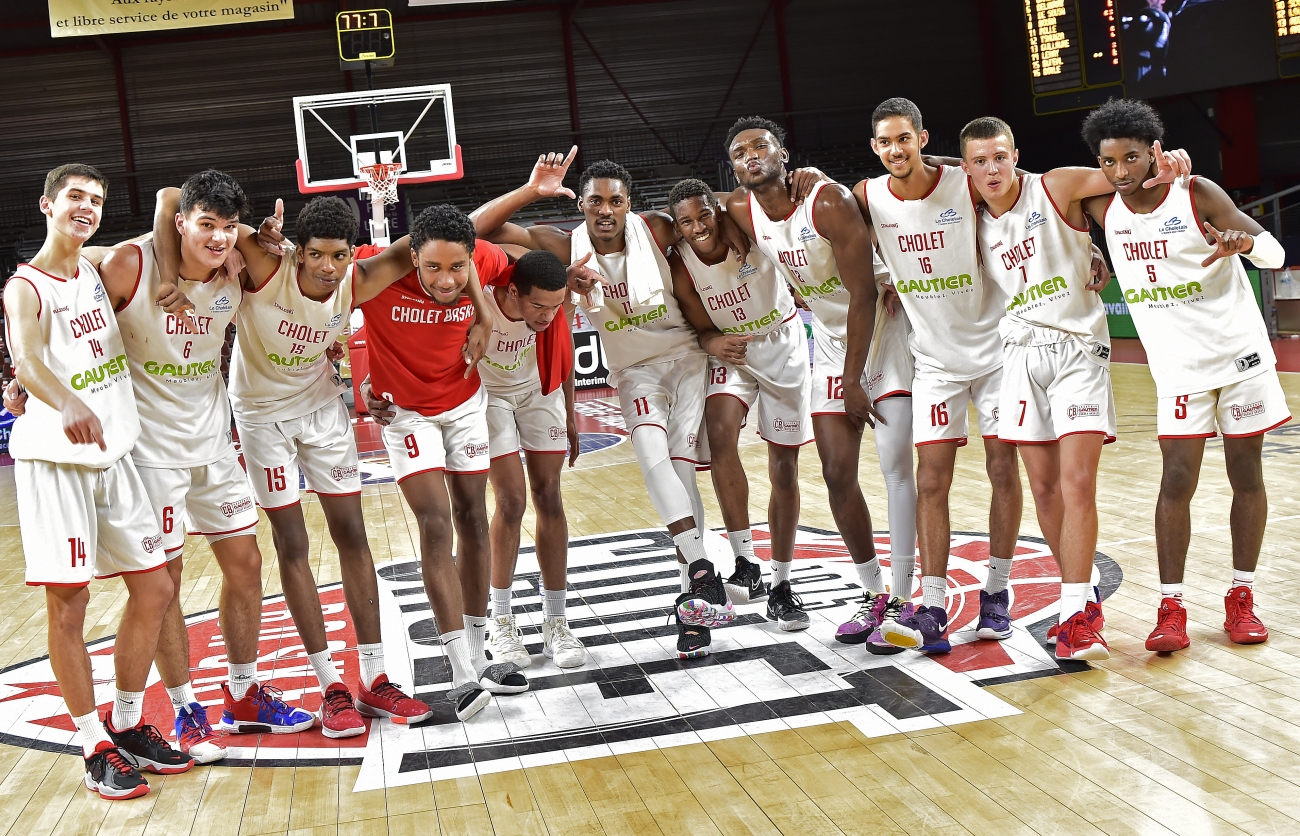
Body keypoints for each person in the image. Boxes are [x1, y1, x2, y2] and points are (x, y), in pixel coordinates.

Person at [470, 149, 739, 658]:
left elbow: (720, 212)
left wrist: (785, 187)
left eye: (616, 200)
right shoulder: (558, 245)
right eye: (596, 201)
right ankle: (702, 574)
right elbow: (474, 232)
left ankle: (695, 595)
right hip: (633, 372)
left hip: (685, 358)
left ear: (629, 203)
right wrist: (532, 191)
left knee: (679, 473)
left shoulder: (658, 230)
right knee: (654, 460)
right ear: (584, 206)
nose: (606, 210)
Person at [194, 195, 447, 734]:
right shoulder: (265, 267)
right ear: (297, 253)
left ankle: (374, 681)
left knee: (353, 534)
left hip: (321, 409)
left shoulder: (357, 279)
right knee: (293, 544)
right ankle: (330, 684)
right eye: (316, 255)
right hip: (261, 416)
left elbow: (434, 235)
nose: (328, 268)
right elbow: (189, 207)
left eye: (339, 255)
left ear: (351, 252)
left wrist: (530, 190)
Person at [962, 115, 1186, 660]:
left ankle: (1072, 618)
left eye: (1000, 156)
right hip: (1017, 356)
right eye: (979, 161)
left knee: (1077, 482)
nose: (992, 169)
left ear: (1016, 153)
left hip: (1078, 353)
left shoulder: (1056, 186)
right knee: (1042, 489)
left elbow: (1128, 178)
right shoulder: (969, 218)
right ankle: (1082, 600)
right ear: (966, 169)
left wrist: (1167, 163)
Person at [5, 164, 192, 799]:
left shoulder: (98, 264)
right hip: (56, 462)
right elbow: (27, 357)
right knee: (70, 604)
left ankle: (131, 721)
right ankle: (91, 743)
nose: (87, 208)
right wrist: (64, 401)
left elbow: (172, 209)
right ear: (46, 205)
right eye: (76, 198)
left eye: (97, 200)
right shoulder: (25, 287)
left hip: (114, 454)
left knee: (155, 585)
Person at [1080, 98, 1288, 651]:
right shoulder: (1104, 205)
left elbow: (1273, 252)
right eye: (1108, 162)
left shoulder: (1197, 193)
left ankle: (1241, 597)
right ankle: (1170, 606)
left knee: (1247, 476)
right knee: (1176, 481)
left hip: (1239, 358)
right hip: (1177, 370)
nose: (1120, 172)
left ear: (1154, 151)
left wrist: (1244, 244)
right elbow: (1016, 181)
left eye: (1131, 157)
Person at [355, 205, 538, 721]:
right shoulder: (374, 267)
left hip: (465, 405)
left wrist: (483, 314)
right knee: (435, 523)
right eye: (432, 267)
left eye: (457, 268)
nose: (446, 278)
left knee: (475, 520)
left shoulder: (476, 256)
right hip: (407, 414)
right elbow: (319, 306)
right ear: (412, 257)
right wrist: (359, 380)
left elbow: (511, 264)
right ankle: (459, 670)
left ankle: (482, 657)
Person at [852, 99, 1022, 655]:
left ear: (922, 138)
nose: (896, 150)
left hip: (996, 349)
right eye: (885, 142)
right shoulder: (867, 196)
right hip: (934, 360)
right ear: (875, 148)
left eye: (905, 138)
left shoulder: (965, 181)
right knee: (930, 480)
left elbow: (1023, 198)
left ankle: (996, 593)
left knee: (1002, 468)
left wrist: (1090, 248)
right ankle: (930, 604)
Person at [722, 117, 886, 634]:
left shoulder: (827, 200)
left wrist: (855, 380)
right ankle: (876, 593)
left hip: (886, 327)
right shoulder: (739, 209)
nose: (751, 156)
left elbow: (863, 295)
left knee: (907, 471)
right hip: (833, 341)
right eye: (740, 152)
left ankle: (914, 595)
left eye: (761, 146)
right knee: (837, 474)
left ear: (783, 154)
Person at [665, 179, 812, 617]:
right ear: (677, 228)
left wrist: (730, 215)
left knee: (783, 464)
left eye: (705, 215)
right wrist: (712, 343)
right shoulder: (681, 264)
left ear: (717, 209)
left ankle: (783, 583)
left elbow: (749, 196)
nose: (698, 227)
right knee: (720, 430)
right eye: (686, 222)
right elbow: (702, 327)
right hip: (736, 351)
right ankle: (746, 561)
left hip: (783, 343)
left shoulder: (745, 226)